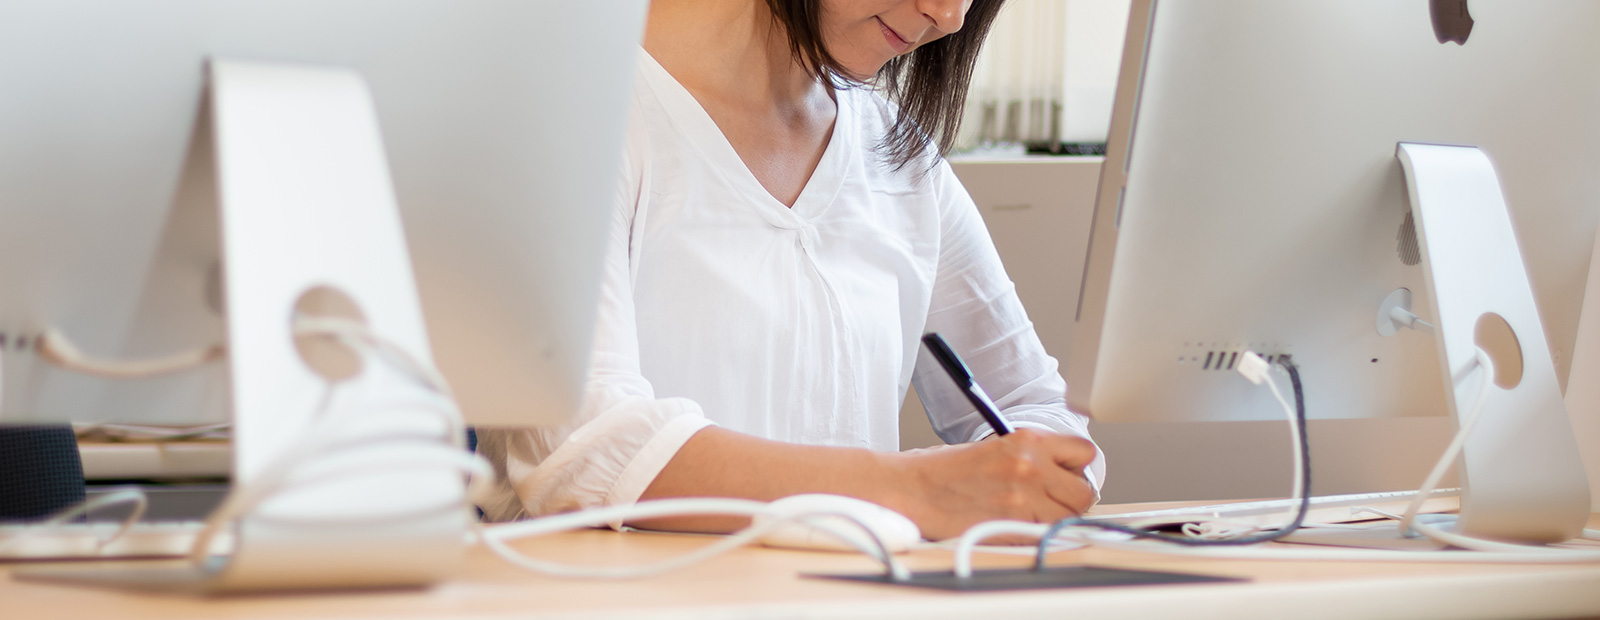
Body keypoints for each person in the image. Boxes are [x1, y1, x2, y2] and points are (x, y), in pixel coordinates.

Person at [477, 0, 1105, 541]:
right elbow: (586, 445)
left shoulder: (896, 153)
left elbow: (1033, 404)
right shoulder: (573, 107)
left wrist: (1028, 473)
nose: (949, 16)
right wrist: (919, 490)